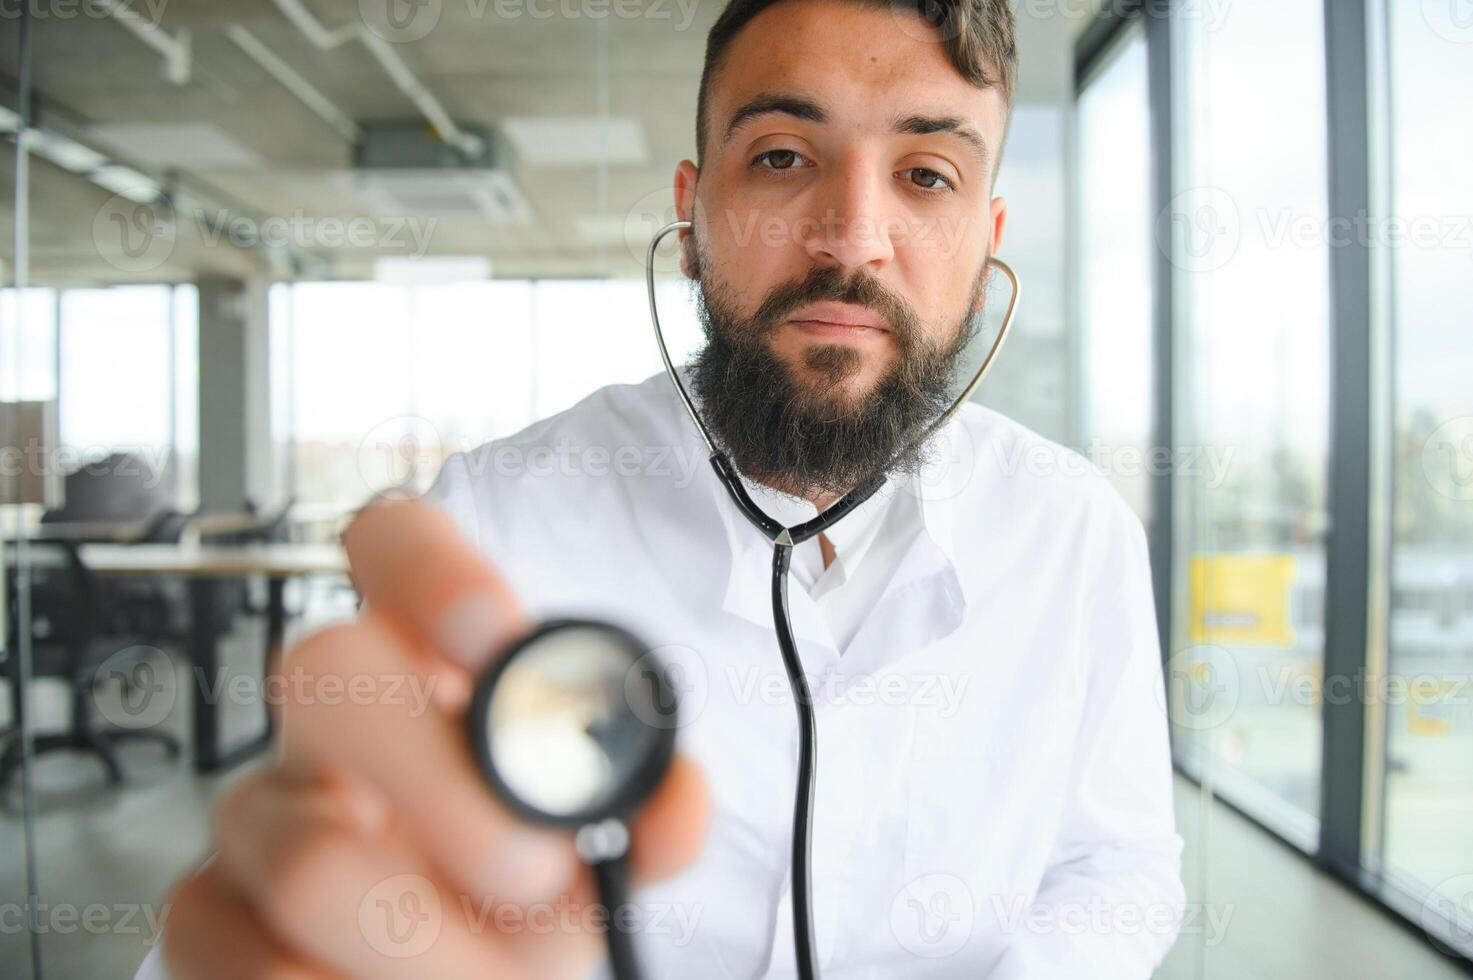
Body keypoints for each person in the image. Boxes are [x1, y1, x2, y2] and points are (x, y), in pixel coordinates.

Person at [146, 0, 1185, 977]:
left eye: (927, 176)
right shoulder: (493, 520)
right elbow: (360, 859)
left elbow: (1119, 862)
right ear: (692, 216)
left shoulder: (1075, 530)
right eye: (783, 156)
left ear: (988, 241)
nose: (852, 235)